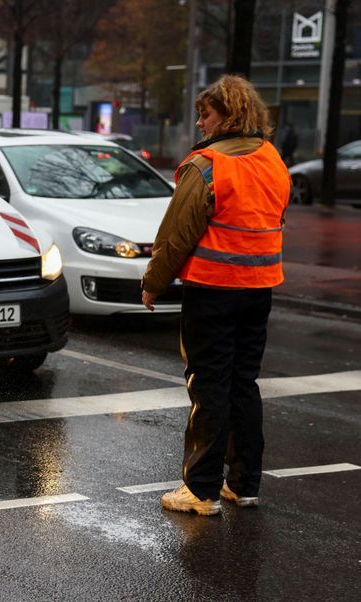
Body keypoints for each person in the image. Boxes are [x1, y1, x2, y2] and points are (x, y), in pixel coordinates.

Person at [142, 75, 290, 516]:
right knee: (244, 384)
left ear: (228, 114)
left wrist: (154, 281)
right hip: (259, 290)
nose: (200, 121)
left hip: (212, 291)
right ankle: (244, 484)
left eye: (206, 113)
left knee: (209, 387)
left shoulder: (205, 165)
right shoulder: (272, 159)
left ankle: (201, 489)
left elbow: (176, 234)